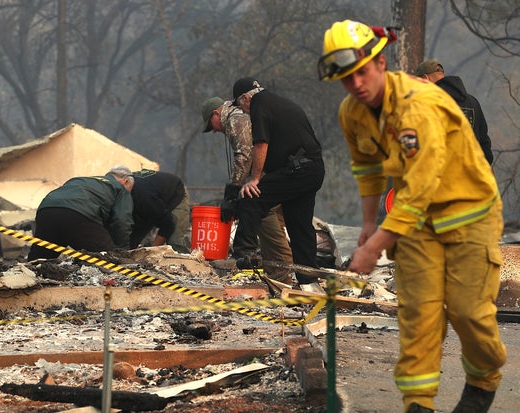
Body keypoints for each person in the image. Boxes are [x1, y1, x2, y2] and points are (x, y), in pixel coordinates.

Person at [318, 20, 505, 413]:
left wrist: (374, 248)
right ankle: (418, 404)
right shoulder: (352, 112)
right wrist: (368, 226)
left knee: (468, 312)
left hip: (467, 214)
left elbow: (420, 189)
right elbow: (367, 167)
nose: (356, 86)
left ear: (381, 63)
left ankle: (482, 383)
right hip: (417, 225)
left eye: (361, 73)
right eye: (346, 79)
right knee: (418, 316)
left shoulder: (420, 105)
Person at [231, 78, 325, 285]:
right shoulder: (278, 102)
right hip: (312, 169)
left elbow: (261, 143)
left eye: (241, 107)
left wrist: (254, 179)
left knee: (250, 197)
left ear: (246, 98)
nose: (244, 112)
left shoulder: (259, 105)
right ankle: (308, 280)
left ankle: (245, 259)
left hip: (298, 170)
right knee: (298, 225)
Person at [201, 96, 294, 283]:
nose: (214, 131)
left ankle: (285, 281)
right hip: (284, 175)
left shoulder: (236, 118)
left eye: (211, 126)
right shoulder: (245, 115)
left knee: (266, 221)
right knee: (273, 232)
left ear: (216, 113)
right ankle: (279, 279)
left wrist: (233, 191)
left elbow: (244, 155)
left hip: (269, 183)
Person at [27, 165, 135, 260]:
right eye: (130, 189)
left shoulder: (80, 180)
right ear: (125, 181)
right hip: (79, 214)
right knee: (108, 258)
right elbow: (121, 221)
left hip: (46, 210)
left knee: (41, 256)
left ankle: (26, 275)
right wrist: (123, 250)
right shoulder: (120, 188)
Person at [415, 58, 494, 164]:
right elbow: (484, 144)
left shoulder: (429, 103)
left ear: (425, 78)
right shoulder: (473, 102)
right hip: (472, 173)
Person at [129, 169, 190, 253]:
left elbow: (168, 225)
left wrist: (152, 251)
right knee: (134, 237)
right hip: (154, 194)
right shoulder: (121, 194)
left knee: (175, 242)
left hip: (175, 193)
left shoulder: (146, 199)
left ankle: (185, 262)